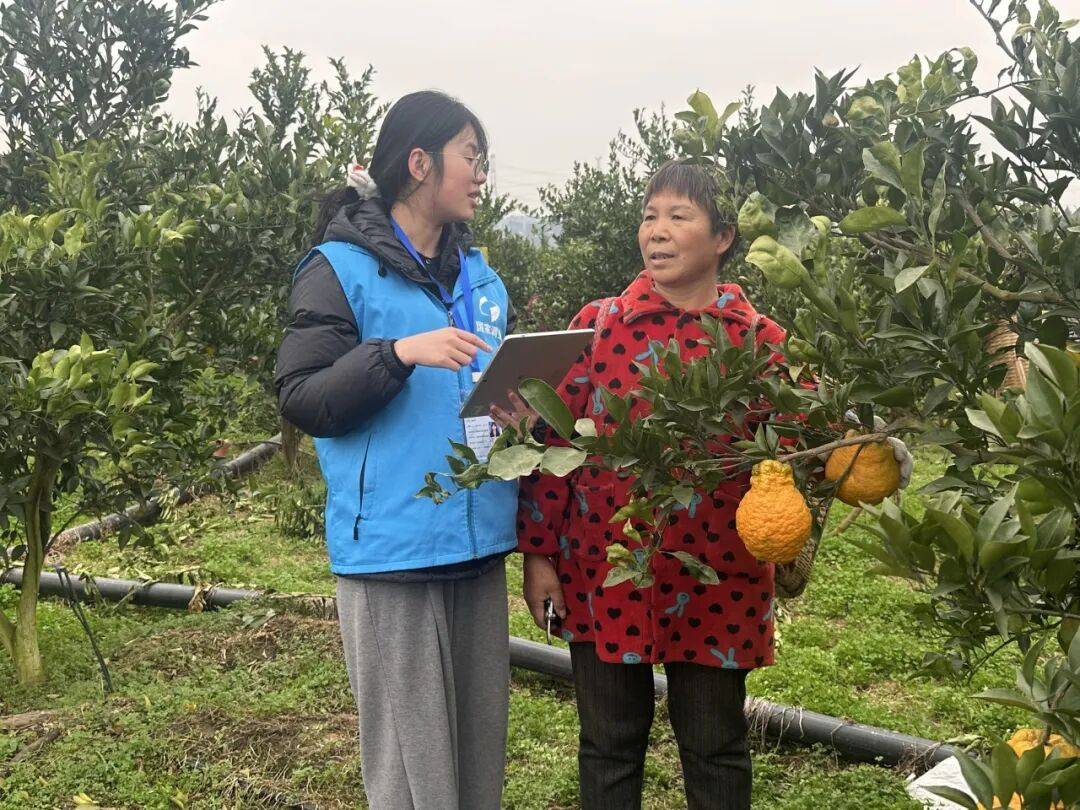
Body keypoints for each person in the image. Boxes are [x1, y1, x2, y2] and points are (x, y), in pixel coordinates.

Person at [517, 159, 911, 810]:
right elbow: (555, 444)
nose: (657, 231)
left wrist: (874, 445)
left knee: (716, 746)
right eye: (649, 216)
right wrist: (539, 555)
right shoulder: (599, 326)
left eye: (679, 216)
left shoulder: (759, 342)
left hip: (719, 575)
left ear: (723, 236)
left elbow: (816, 438)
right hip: (604, 566)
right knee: (608, 744)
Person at [274, 90, 527, 810]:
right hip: (393, 551)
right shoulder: (340, 269)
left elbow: (482, 398)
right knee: (413, 778)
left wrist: (519, 414)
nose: (482, 174)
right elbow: (302, 396)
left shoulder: (480, 279)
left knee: (476, 765)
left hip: (478, 545)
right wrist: (397, 353)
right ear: (420, 162)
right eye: (471, 157)